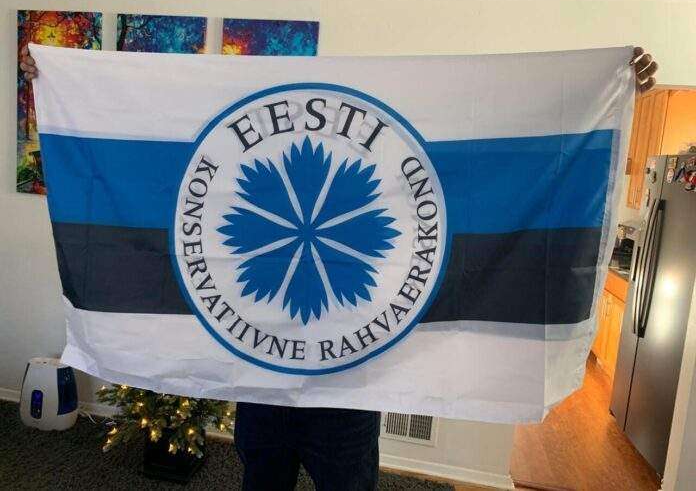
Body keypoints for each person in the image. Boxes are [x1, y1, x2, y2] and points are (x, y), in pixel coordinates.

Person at [20, 44, 658, 491]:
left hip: (350, 396)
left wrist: (613, 87)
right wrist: (52, 77)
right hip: (262, 389)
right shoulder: (254, 200)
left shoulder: (374, 204)